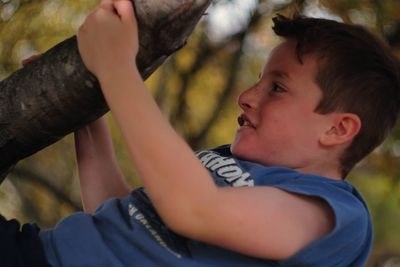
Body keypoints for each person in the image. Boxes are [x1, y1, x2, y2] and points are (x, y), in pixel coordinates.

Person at [2, 0, 400, 266]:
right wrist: (87, 109)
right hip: (37, 250)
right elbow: (119, 214)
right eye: (258, 82)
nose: (245, 96)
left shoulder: (333, 216)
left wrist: (116, 66)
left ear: (337, 128)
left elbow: (193, 211)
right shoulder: (226, 163)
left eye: (277, 88)